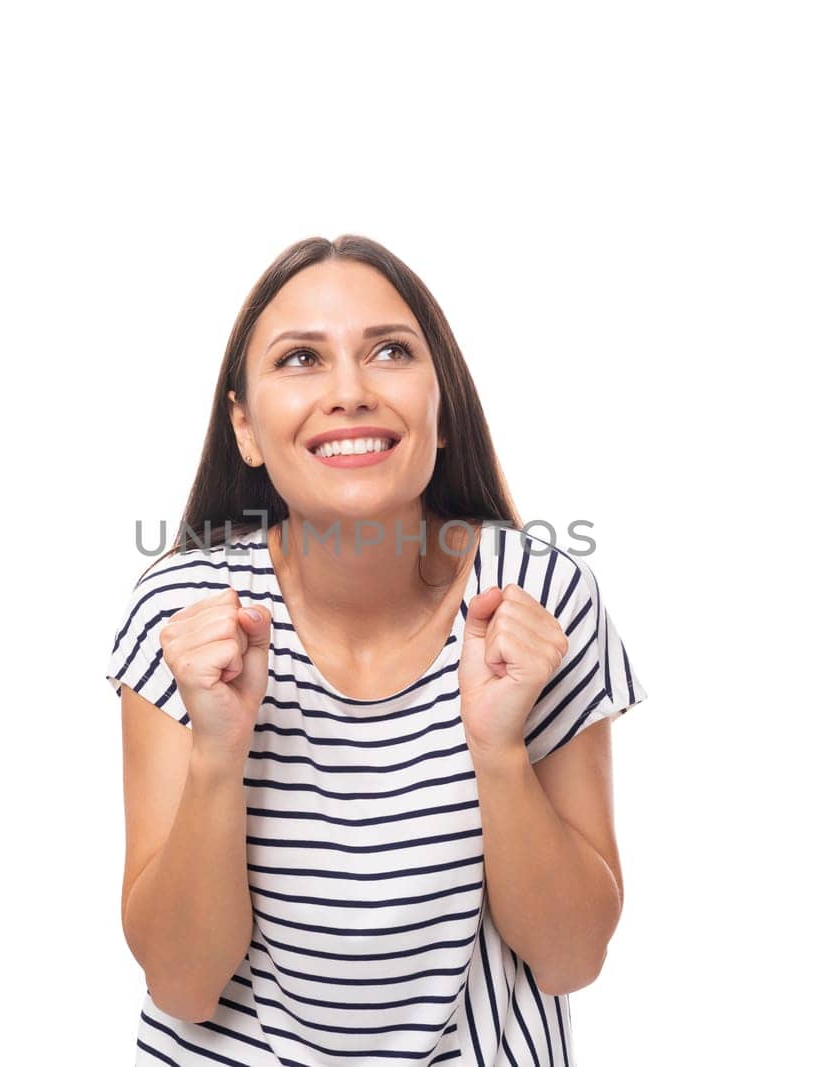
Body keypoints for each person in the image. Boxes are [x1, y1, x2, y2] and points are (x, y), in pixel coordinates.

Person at [105, 234, 649, 1065]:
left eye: (390, 351)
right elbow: (181, 984)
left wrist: (499, 750)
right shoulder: (185, 608)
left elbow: (572, 957)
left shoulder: (535, 596)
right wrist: (219, 753)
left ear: (440, 409)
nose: (350, 393)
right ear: (246, 427)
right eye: (300, 360)